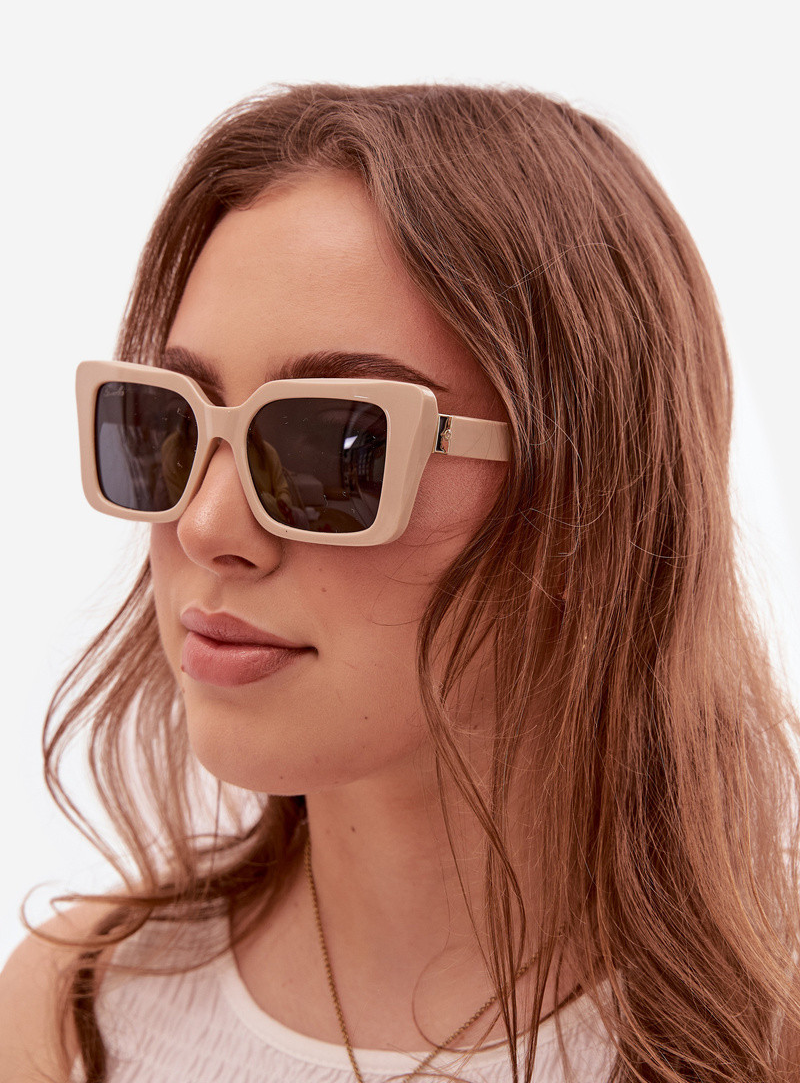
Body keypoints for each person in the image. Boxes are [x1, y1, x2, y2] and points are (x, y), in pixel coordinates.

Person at [1, 84, 799, 1083]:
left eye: (337, 447)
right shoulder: (75, 1013)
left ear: (590, 496)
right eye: (165, 425)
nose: (204, 527)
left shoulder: (767, 1038)